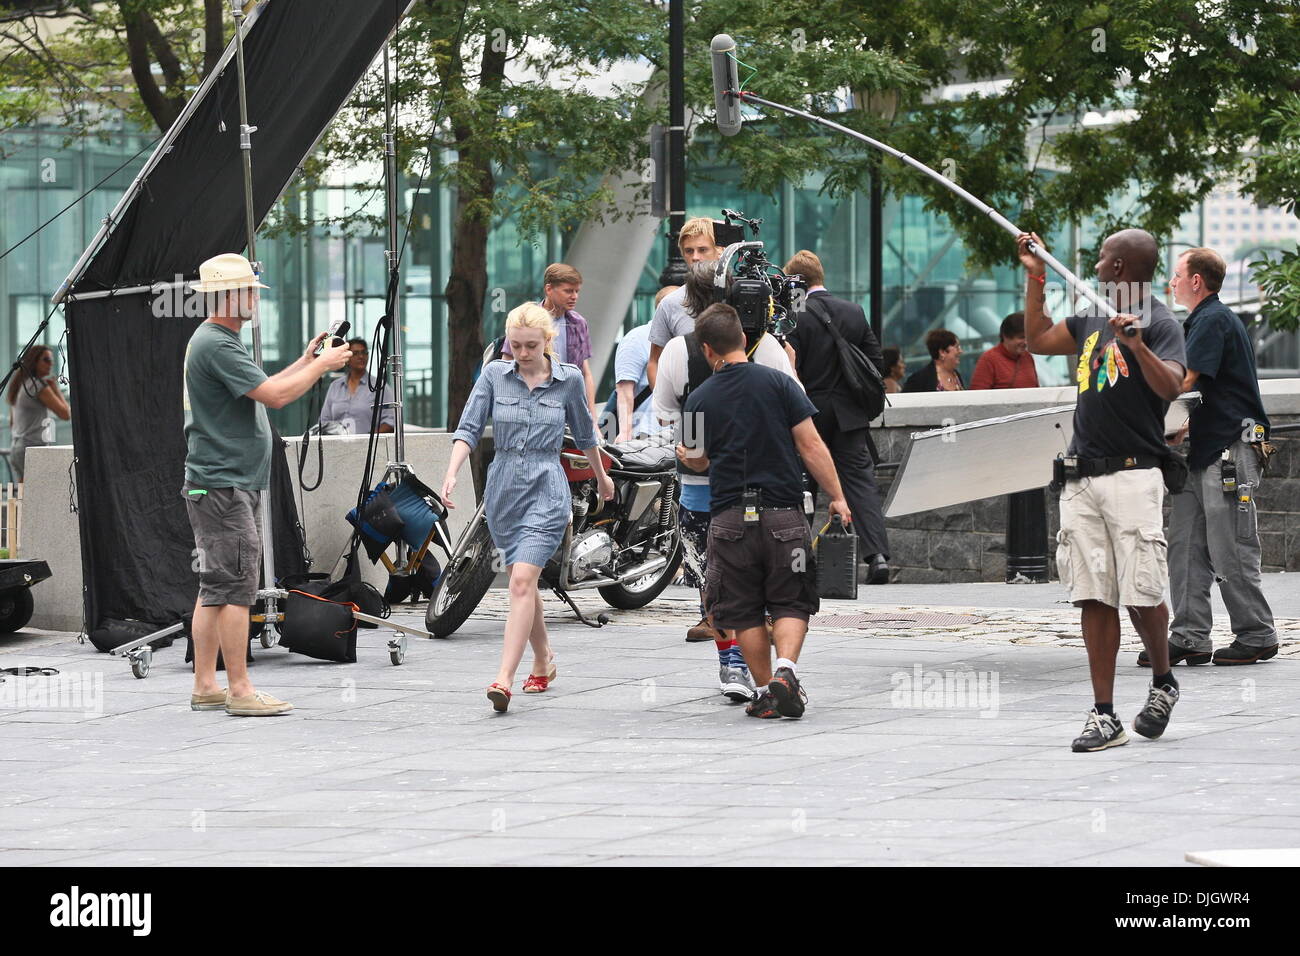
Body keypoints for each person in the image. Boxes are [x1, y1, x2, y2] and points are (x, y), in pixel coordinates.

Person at [1018, 228, 1187, 752]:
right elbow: (1039, 340)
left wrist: (1137, 346)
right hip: (1083, 474)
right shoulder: (1092, 314)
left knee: (1142, 593)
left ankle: (1162, 681)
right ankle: (1105, 713)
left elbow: (1172, 387)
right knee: (1094, 594)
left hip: (1135, 474)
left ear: (1119, 267)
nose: (1094, 264)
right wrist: (1036, 279)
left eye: (1102, 257)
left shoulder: (1159, 322)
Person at [184, 253, 351, 717]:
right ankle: (239, 690)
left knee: (215, 587)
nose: (255, 299)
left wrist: (304, 360)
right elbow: (277, 398)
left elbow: (264, 388)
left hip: (216, 484)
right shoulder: (217, 343)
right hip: (224, 486)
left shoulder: (216, 340)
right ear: (228, 295)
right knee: (236, 588)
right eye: (250, 291)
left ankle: (205, 685)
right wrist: (324, 366)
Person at [442, 302, 615, 713]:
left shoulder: (568, 380)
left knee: (520, 580)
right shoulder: (493, 376)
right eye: (515, 345)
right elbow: (468, 428)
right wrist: (451, 473)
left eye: (530, 346)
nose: (521, 353)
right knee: (525, 580)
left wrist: (602, 476)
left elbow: (587, 434)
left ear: (548, 342)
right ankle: (544, 658)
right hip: (502, 490)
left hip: (546, 489)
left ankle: (503, 677)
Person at [682, 304, 852, 720]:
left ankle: (764, 693)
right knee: (791, 601)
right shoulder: (780, 383)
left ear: (707, 349)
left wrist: (688, 453)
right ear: (743, 338)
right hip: (782, 516)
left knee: (742, 610)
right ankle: (786, 673)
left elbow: (696, 462)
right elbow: (811, 445)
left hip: (728, 522)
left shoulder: (697, 399)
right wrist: (838, 496)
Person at [653, 262, 799, 702]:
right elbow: (798, 415)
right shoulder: (767, 347)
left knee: (713, 580)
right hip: (767, 488)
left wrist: (696, 451)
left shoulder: (680, 352)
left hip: (702, 491)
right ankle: (769, 667)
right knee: (767, 584)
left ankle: (732, 660)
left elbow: (668, 418)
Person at [1138, 247, 1278, 667]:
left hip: (1228, 452)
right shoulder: (1203, 320)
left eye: (1177, 275)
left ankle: (1257, 634)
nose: (1171, 282)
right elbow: (1199, 395)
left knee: (1230, 546)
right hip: (1204, 452)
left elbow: (1185, 381)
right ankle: (1189, 636)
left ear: (1196, 281)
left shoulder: (1213, 319)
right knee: (1184, 546)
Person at [782, 249, 891, 585]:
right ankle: (878, 557)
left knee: (803, 486)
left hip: (807, 413)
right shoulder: (854, 312)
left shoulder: (793, 316)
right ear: (820, 276)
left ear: (794, 283)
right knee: (860, 484)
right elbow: (876, 363)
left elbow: (787, 369)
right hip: (848, 415)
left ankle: (799, 562)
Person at [501, 263, 598, 419]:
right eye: (568, 291)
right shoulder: (525, 319)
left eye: (577, 291)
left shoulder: (579, 323)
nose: (574, 296)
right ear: (548, 289)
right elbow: (505, 368)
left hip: (568, 410)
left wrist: (592, 419)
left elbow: (585, 373)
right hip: (529, 409)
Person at [646, 217, 725, 389]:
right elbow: (654, 362)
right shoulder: (669, 304)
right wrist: (664, 410)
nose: (695, 257)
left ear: (720, 250)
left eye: (703, 249)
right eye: (689, 251)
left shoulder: (742, 296)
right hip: (689, 407)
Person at [600, 286, 678, 442]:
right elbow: (624, 389)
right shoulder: (637, 338)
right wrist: (625, 433)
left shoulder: (685, 339)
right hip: (642, 434)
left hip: (676, 433)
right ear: (664, 308)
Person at [6, 345, 70, 483]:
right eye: (46, 359)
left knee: (25, 496)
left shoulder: (21, 385)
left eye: (51, 360)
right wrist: (56, 389)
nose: (51, 363)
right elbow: (65, 414)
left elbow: (12, 423)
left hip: (17, 448)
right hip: (32, 448)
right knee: (39, 495)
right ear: (34, 361)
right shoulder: (37, 386)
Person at [317, 337, 395, 434]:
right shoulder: (335, 386)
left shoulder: (380, 386)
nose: (361, 356)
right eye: (356, 353)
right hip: (337, 446)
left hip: (368, 446)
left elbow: (391, 422)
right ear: (347, 358)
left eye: (364, 352)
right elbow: (324, 421)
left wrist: (369, 440)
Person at [970, 312, 1040, 390]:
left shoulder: (1027, 357)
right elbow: (977, 394)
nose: (1026, 342)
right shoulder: (989, 359)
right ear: (1006, 336)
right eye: (1021, 337)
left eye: (1028, 337)